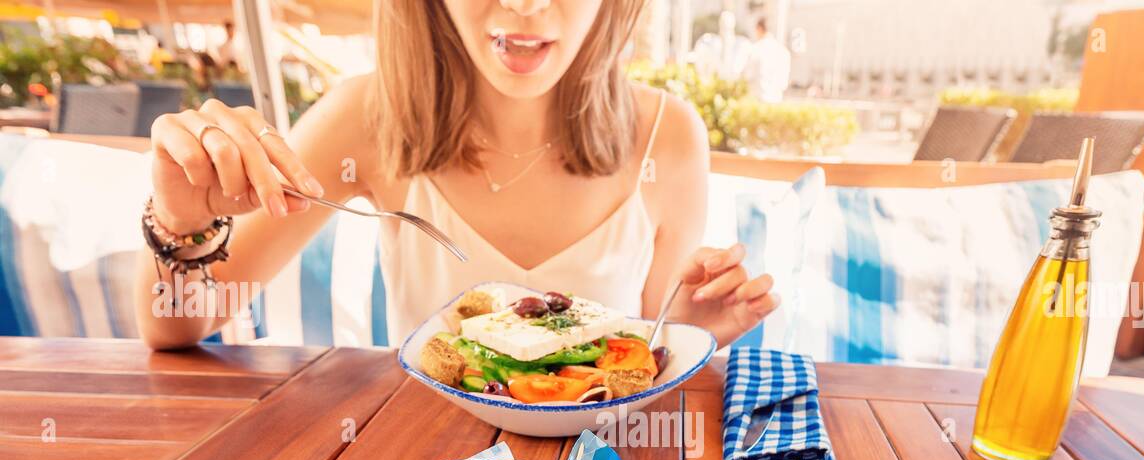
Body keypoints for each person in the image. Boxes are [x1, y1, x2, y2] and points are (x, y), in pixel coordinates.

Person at [135, 0, 777, 350]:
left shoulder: (670, 137)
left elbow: (644, 353)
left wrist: (687, 329)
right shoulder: (365, 117)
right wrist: (181, 220)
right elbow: (177, 324)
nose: (525, 5)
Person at [741, 17, 791, 103]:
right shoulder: (784, 52)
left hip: (758, 101)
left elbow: (746, 76)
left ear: (759, 29)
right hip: (777, 101)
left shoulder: (755, 49)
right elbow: (784, 83)